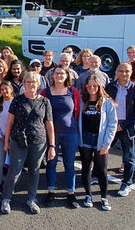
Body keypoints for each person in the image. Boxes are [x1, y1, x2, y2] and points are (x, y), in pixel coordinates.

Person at [0, 72, 55, 215]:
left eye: (34, 82)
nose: (31, 84)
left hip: (38, 141)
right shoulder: (17, 100)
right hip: (18, 140)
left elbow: (49, 125)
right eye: (28, 82)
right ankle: (6, 198)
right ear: (24, 84)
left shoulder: (45, 102)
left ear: (38, 84)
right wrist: (6, 142)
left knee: (34, 171)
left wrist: (52, 146)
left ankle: (32, 199)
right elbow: (10, 122)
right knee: (14, 171)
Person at [78, 74, 118, 211]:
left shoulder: (107, 102)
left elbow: (112, 124)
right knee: (86, 168)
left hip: (100, 140)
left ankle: (104, 197)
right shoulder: (82, 101)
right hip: (85, 139)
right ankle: (88, 195)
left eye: (95, 85)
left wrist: (106, 144)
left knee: (101, 170)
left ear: (99, 86)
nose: (92, 88)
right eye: (89, 85)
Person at [42, 65, 80, 207]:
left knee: (69, 164)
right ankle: (51, 192)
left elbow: (77, 111)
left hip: (70, 133)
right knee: (51, 163)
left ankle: (71, 193)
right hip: (52, 134)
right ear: (53, 75)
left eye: (62, 73)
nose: (59, 76)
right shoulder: (46, 92)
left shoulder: (72, 91)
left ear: (66, 75)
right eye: (56, 73)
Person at [105, 63, 135, 197]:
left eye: (126, 71)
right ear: (117, 72)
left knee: (128, 156)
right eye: (120, 71)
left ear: (131, 72)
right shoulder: (110, 87)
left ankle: (127, 183)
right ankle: (97, 175)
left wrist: (123, 125)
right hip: (111, 124)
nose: (123, 74)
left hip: (127, 127)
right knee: (103, 151)